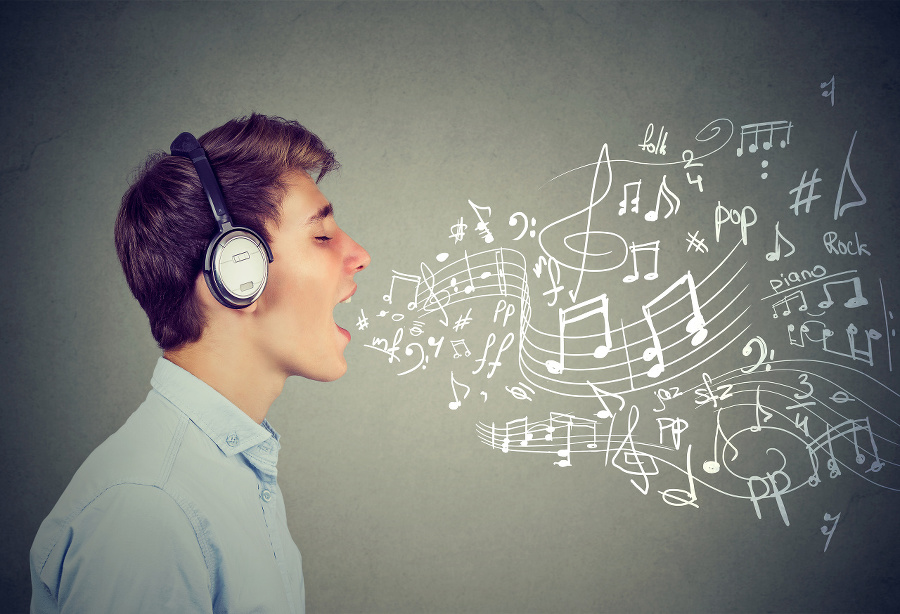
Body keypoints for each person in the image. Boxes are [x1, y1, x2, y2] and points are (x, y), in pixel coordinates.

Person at [29, 113, 370, 613]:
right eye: (321, 236)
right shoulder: (151, 511)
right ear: (238, 272)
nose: (359, 255)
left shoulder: (223, 477)